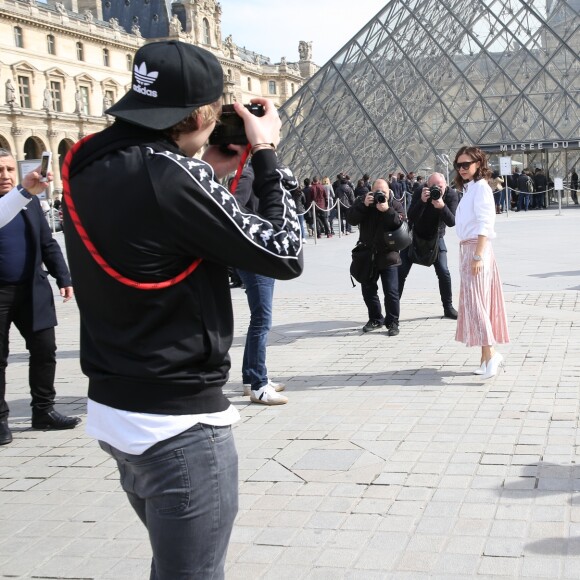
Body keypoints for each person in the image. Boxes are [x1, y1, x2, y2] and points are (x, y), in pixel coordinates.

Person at [63, 40, 303, 579]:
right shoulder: (173, 174)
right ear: (200, 114)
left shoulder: (84, 160)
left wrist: (203, 160)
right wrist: (265, 156)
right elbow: (285, 253)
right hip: (177, 423)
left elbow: (157, 224)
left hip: (114, 407)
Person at [0, 150, 79, 446]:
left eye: (9, 169)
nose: (5, 175)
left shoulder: (30, 202)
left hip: (33, 289)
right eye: (0, 170)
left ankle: (44, 410)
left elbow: (48, 242)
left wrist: (64, 277)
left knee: (45, 350)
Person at [233, 164, 288, 405]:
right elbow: (233, 210)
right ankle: (258, 384)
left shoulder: (261, 176)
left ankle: (250, 379)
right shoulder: (248, 174)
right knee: (262, 321)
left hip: (263, 256)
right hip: (254, 257)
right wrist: (261, 229)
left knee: (260, 320)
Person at [453, 146, 509, 379]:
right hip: (469, 248)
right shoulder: (470, 189)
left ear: (478, 164)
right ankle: (485, 359)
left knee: (476, 304)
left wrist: (477, 256)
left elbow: (486, 223)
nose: (462, 168)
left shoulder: (481, 189)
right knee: (479, 304)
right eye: (459, 165)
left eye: (467, 164)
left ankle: (492, 353)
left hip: (477, 249)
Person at [347, 178, 404, 336]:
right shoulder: (364, 203)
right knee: (368, 290)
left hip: (389, 255)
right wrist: (363, 205)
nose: (380, 194)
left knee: (391, 291)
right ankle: (375, 318)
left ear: (389, 192)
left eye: (384, 192)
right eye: (377, 191)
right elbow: (351, 219)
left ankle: (392, 322)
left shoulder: (395, 204)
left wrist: (387, 209)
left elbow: (399, 224)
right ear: (370, 191)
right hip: (368, 255)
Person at [398, 172, 459, 319]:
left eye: (440, 186)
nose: (436, 189)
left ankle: (448, 307)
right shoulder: (420, 191)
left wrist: (442, 206)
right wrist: (422, 201)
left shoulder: (451, 195)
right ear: (427, 185)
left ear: (445, 185)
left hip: (436, 238)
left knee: (444, 272)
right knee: (399, 273)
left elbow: (452, 222)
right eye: (433, 186)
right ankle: (392, 310)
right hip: (414, 237)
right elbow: (411, 216)